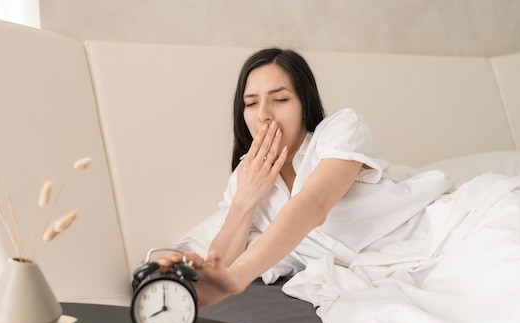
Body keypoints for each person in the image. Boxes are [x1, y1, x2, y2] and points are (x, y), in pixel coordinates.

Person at [163, 47, 449, 307]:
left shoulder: (341, 130)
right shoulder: (245, 176)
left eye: (280, 99)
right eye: (250, 104)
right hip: (385, 274)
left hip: (440, 235)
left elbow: (314, 204)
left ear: (304, 104)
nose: (263, 115)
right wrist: (245, 199)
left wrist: (238, 275)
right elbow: (219, 267)